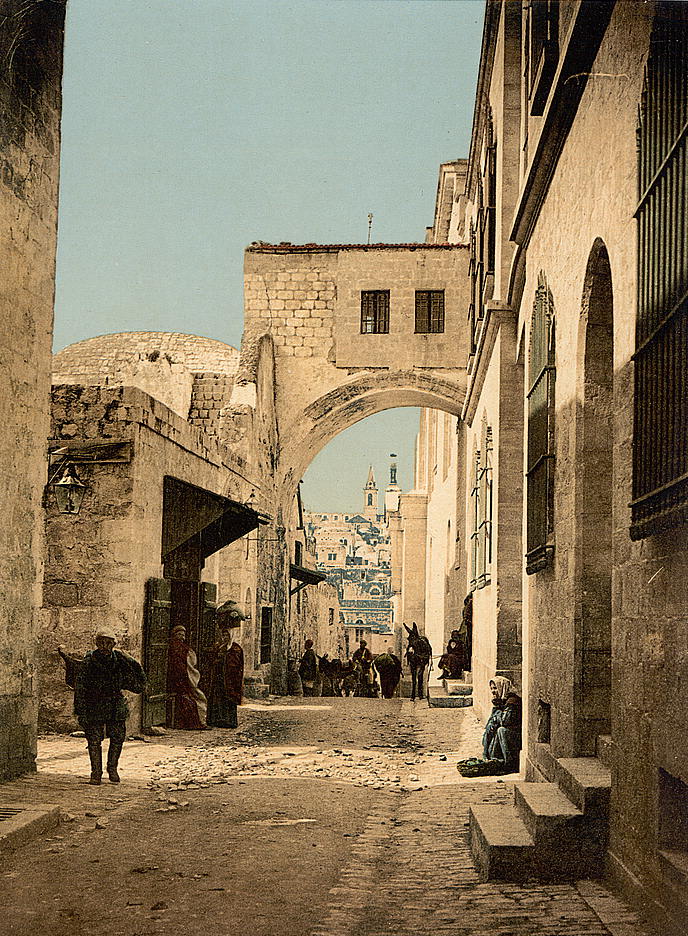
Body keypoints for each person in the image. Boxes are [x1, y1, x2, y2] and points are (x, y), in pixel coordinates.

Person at [73, 627, 146, 785]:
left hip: (115, 705)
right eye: (101, 643)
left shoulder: (119, 659)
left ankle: (112, 768)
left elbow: (137, 677)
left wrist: (130, 660)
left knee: (117, 737)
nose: (105, 646)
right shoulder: (89, 661)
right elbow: (80, 687)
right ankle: (96, 773)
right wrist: (80, 710)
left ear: (114, 644)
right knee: (94, 740)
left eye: (108, 643)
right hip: (94, 704)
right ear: (96, 643)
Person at [206, 602, 245, 728]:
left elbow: (237, 665)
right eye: (223, 635)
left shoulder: (236, 648)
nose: (225, 637)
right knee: (217, 698)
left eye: (227, 635)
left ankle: (229, 721)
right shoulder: (219, 647)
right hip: (218, 678)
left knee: (228, 699)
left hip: (230, 679)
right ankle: (215, 720)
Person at [167, 624, 209, 730]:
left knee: (195, 698)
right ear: (174, 635)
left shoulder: (184, 648)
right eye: (179, 634)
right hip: (176, 679)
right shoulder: (173, 647)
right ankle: (192, 724)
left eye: (183, 635)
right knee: (189, 701)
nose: (181, 637)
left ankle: (198, 722)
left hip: (183, 678)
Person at [482, 675, 522, 773]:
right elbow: (491, 722)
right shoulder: (501, 701)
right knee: (491, 727)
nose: (493, 691)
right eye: (491, 689)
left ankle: (510, 763)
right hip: (507, 735)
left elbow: (505, 721)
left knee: (501, 730)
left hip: (516, 737)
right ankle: (494, 760)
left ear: (502, 687)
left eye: (495, 688)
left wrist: (498, 709)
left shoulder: (512, 701)